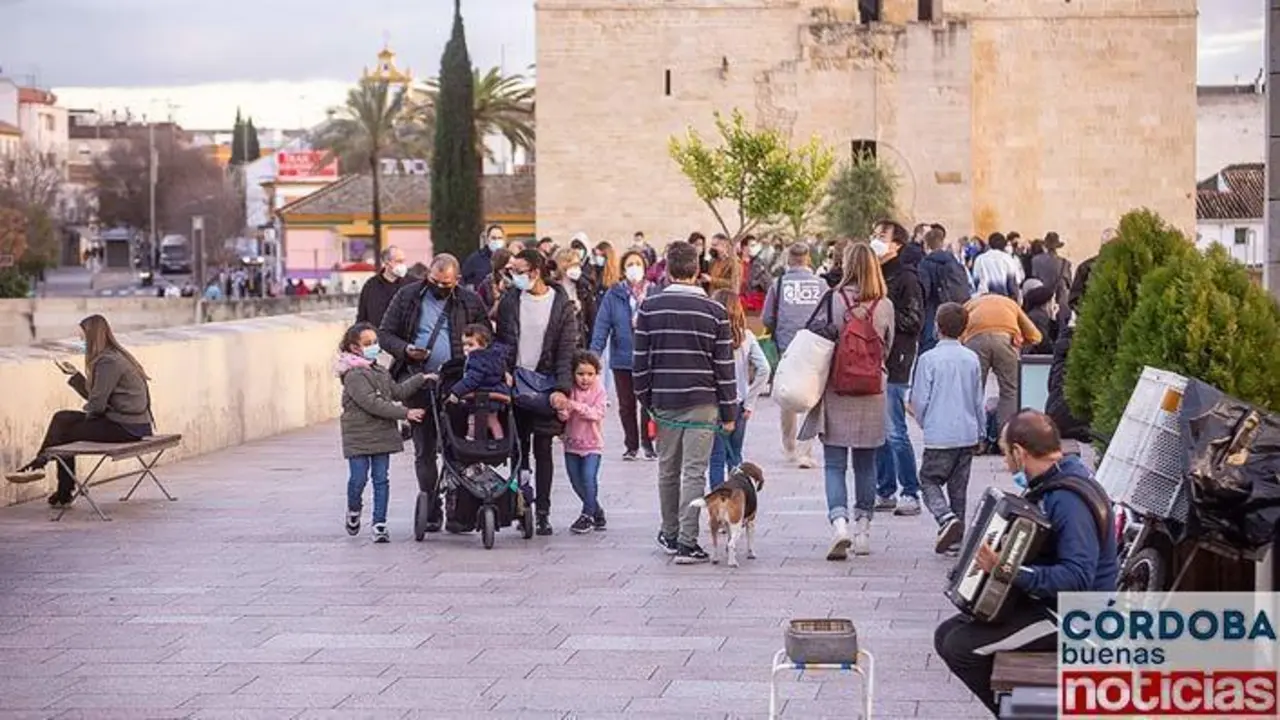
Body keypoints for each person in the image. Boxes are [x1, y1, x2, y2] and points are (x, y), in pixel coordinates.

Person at [935, 410, 1118, 716]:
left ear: (1020, 453)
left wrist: (1007, 569)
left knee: (962, 648)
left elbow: (1077, 577)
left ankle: (1025, 713)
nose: (1006, 464)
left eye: (1006, 454)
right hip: (1051, 605)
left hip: (1077, 620)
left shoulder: (1068, 500)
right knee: (946, 635)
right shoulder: (1057, 479)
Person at [633, 241, 737, 565]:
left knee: (667, 468)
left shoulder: (649, 308)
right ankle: (687, 542)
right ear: (696, 269)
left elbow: (640, 363)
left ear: (666, 268)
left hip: (664, 399)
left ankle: (670, 531)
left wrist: (646, 399)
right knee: (694, 471)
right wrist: (730, 411)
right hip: (703, 401)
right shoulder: (715, 312)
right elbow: (725, 369)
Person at [378, 254, 488, 533]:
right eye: (435, 281)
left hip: (458, 382)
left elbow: (486, 336)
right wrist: (406, 350)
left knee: (457, 447)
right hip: (418, 381)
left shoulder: (470, 301)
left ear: (457, 281)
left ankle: (456, 506)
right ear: (428, 275)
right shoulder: (407, 297)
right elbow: (385, 334)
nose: (440, 287)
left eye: (446, 283)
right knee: (425, 449)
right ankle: (431, 508)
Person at [799, 242, 894, 561]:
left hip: (837, 388)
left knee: (836, 464)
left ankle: (839, 526)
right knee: (866, 464)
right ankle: (863, 531)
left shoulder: (833, 299)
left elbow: (815, 339)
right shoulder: (884, 305)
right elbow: (888, 349)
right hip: (872, 391)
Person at [6, 315, 155, 506]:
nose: (81, 341)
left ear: (92, 336)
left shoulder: (107, 361)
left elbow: (97, 404)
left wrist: (88, 417)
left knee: (64, 432)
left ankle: (53, 478)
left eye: (83, 337)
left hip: (127, 427)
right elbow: (98, 397)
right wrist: (75, 376)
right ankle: (46, 470)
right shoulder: (114, 355)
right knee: (63, 418)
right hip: (132, 424)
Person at [495, 249, 579, 535]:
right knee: (518, 450)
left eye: (518, 270)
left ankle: (542, 511)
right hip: (516, 384)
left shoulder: (561, 305)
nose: (513, 275)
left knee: (543, 449)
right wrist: (502, 371)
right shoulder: (510, 301)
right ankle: (521, 505)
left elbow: (567, 351)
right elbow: (503, 341)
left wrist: (561, 389)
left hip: (545, 386)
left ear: (535, 271)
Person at [336, 321, 428, 543]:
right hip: (359, 436)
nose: (374, 346)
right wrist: (406, 413)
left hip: (382, 434)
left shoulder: (379, 370)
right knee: (358, 478)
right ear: (354, 348)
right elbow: (373, 403)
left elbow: (395, 392)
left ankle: (379, 523)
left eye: (375, 342)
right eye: (368, 343)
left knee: (381, 480)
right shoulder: (354, 375)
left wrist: (421, 379)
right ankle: (354, 508)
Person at [910, 303, 984, 555]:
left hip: (939, 433)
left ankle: (945, 517)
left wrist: (922, 420)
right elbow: (977, 399)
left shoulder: (928, 359)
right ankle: (955, 541)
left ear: (937, 327)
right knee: (958, 488)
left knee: (929, 480)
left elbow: (920, 399)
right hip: (967, 431)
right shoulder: (971, 358)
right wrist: (982, 430)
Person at [871, 222, 924, 516]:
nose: (875, 241)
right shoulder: (873, 274)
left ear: (897, 245)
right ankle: (885, 488)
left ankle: (910, 491)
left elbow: (914, 320)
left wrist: (883, 317)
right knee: (878, 430)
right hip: (873, 361)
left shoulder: (906, 278)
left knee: (895, 431)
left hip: (896, 359)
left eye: (881, 237)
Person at [762, 243, 826, 468]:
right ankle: (805, 451)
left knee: (787, 396)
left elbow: (767, 318)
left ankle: (789, 447)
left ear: (789, 259)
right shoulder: (821, 285)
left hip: (786, 347)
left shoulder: (778, 285)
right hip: (815, 347)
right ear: (808, 258)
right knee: (814, 397)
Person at [591, 250, 658, 461]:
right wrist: (594, 355)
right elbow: (602, 325)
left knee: (648, 405)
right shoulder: (614, 294)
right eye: (630, 264)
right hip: (622, 359)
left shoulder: (655, 292)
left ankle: (649, 444)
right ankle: (631, 445)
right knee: (626, 405)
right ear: (623, 268)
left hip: (649, 359)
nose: (634, 268)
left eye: (638, 263)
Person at [707, 290, 769, 489]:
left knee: (716, 458)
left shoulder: (710, 336)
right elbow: (764, 369)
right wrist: (750, 400)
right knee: (735, 455)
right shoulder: (747, 337)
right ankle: (739, 499)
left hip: (715, 404)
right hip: (739, 404)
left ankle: (718, 503)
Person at [961, 292, 1043, 433]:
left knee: (973, 390)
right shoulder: (1010, 303)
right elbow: (1036, 336)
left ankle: (974, 438)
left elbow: (957, 328)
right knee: (1009, 390)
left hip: (975, 340)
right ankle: (1004, 437)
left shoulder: (971, 303)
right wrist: (1021, 342)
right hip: (1006, 340)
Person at [559, 350, 608, 534]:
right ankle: (597, 510)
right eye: (580, 374)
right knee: (576, 482)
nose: (585, 379)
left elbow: (597, 413)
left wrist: (575, 406)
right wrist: (563, 410)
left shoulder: (599, 390)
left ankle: (586, 515)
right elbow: (564, 416)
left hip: (592, 445)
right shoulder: (569, 389)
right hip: (571, 444)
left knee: (589, 479)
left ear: (596, 374)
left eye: (590, 374)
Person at [446, 323, 510, 442]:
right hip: (496, 395)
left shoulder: (477, 359)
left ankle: (471, 442)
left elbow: (472, 380)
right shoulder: (495, 357)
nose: (466, 348)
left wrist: (456, 391)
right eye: (464, 344)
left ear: (484, 344)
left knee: (473, 420)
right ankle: (499, 441)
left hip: (481, 397)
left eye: (470, 344)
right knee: (493, 420)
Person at [917, 227, 972, 354]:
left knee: (928, 348)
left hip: (932, 311)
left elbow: (924, 291)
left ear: (926, 244)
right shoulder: (955, 263)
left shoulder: (926, 264)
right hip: (953, 309)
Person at [554, 247, 597, 348]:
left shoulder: (583, 287)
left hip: (579, 340)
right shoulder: (553, 287)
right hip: (559, 342)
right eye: (572, 264)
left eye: (577, 264)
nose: (575, 268)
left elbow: (592, 318)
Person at [356, 246, 409, 327]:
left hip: (404, 338)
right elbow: (362, 316)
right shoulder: (371, 286)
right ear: (387, 262)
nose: (402, 265)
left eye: (403, 261)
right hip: (378, 336)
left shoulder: (412, 284)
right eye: (399, 261)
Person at [971, 232, 1024, 298]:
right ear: (1004, 245)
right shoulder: (1008, 259)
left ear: (989, 244)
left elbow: (975, 280)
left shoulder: (979, 259)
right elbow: (1014, 283)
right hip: (1004, 299)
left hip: (984, 299)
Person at [1031, 232, 1072, 314]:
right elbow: (1069, 283)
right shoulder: (1065, 263)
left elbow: (1035, 278)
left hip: (1042, 301)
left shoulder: (1035, 261)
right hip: (1060, 300)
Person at [462, 225, 506, 289]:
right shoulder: (475, 259)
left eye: (499, 238)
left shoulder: (508, 260)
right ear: (487, 240)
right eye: (493, 238)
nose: (497, 241)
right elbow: (463, 279)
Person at [1020, 280, 1056, 355]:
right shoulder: (1039, 318)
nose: (1055, 304)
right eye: (1053, 301)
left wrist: (1053, 319)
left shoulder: (1034, 315)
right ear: (1047, 303)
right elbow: (1044, 344)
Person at [476, 248, 513, 319]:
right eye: (508, 267)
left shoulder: (516, 282)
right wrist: (500, 296)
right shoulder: (486, 284)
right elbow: (482, 312)